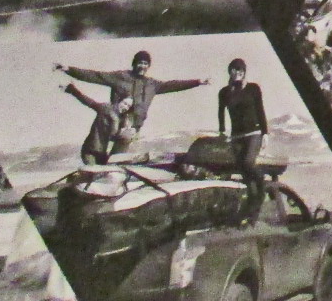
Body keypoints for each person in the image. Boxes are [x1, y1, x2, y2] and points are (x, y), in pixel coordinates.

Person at [57, 52, 205, 161]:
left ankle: (109, 168)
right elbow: (96, 76)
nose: (142, 66)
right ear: (134, 64)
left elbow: (173, 85)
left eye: (145, 63)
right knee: (100, 133)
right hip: (115, 122)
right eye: (140, 63)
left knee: (117, 158)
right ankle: (92, 157)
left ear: (148, 66)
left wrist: (197, 82)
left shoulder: (152, 85)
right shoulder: (121, 77)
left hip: (132, 127)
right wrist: (69, 69)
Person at [217, 58, 268, 226]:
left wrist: (265, 133)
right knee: (244, 174)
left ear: (244, 72)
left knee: (248, 162)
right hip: (236, 136)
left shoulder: (253, 88)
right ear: (229, 72)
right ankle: (252, 213)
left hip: (254, 133)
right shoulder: (224, 92)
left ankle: (262, 185)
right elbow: (221, 113)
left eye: (240, 70)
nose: (237, 72)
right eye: (234, 69)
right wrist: (222, 131)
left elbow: (260, 110)